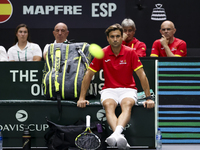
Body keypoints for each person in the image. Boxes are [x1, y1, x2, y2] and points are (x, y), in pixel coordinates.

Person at [77, 24, 155, 149]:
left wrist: (148, 97)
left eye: (118, 36)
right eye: (112, 37)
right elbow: (88, 75)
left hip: (128, 89)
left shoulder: (131, 52)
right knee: (108, 106)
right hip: (109, 90)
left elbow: (142, 75)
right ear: (108, 39)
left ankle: (117, 135)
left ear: (121, 38)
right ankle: (120, 138)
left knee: (127, 104)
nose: (115, 39)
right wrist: (81, 97)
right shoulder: (102, 53)